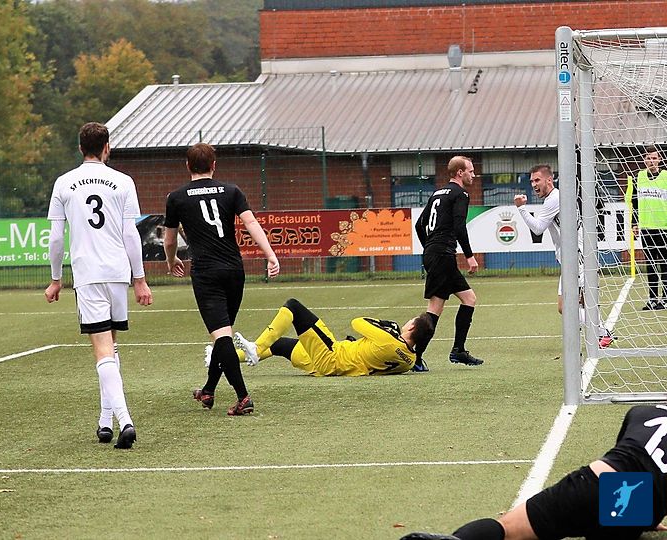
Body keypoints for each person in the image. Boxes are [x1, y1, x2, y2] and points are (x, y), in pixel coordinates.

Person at [399, 404, 667, 540]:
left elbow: (627, 459)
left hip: (596, 482)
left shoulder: (643, 411)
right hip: (639, 501)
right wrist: (647, 515)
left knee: (506, 529)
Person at [44, 122, 152, 450]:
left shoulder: (64, 182)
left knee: (102, 350)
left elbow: (56, 238)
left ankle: (125, 420)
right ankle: (105, 422)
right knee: (111, 346)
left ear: (80, 148)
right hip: (117, 272)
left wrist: (56, 279)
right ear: (107, 147)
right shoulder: (123, 181)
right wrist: (139, 279)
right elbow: (131, 234)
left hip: (88, 274)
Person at [163, 142, 280, 416]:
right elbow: (251, 223)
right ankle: (208, 390)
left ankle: (243, 397)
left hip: (207, 273)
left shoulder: (176, 197)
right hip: (234, 271)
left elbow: (169, 240)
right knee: (222, 333)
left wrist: (171, 261)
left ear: (187, 166)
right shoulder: (231, 191)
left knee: (222, 335)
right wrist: (270, 255)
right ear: (214, 165)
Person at [514, 164, 613, 348]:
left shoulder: (553, 199)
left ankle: (602, 332)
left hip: (577, 259)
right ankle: (598, 334)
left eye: (537, 180)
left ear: (549, 179)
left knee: (566, 306)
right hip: (573, 258)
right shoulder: (556, 197)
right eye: (532, 181)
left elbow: (538, 228)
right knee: (578, 303)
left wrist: (521, 209)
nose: (534, 185)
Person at [231, 298, 435, 377]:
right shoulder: (409, 361)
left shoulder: (388, 339)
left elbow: (358, 322)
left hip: (332, 356)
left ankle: (256, 348)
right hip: (335, 368)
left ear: (412, 326)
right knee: (279, 345)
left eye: (410, 321)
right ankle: (224, 359)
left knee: (293, 306)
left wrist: (384, 324)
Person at [413, 155, 483, 372]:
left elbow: (419, 225)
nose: (474, 175)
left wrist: (429, 247)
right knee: (435, 308)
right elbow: (460, 227)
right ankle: (416, 358)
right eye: (471, 171)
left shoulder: (437, 193)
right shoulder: (460, 194)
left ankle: (457, 350)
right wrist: (469, 256)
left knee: (468, 299)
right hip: (442, 256)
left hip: (437, 255)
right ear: (460, 173)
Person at [629, 146, 667, 310]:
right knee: (650, 264)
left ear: (659, 159)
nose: (651, 161)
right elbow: (635, 202)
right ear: (644, 160)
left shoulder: (665, 176)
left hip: (664, 227)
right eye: (648, 158)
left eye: (654, 158)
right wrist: (634, 223)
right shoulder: (639, 177)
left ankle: (665, 298)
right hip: (646, 227)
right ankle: (652, 299)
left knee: (664, 264)